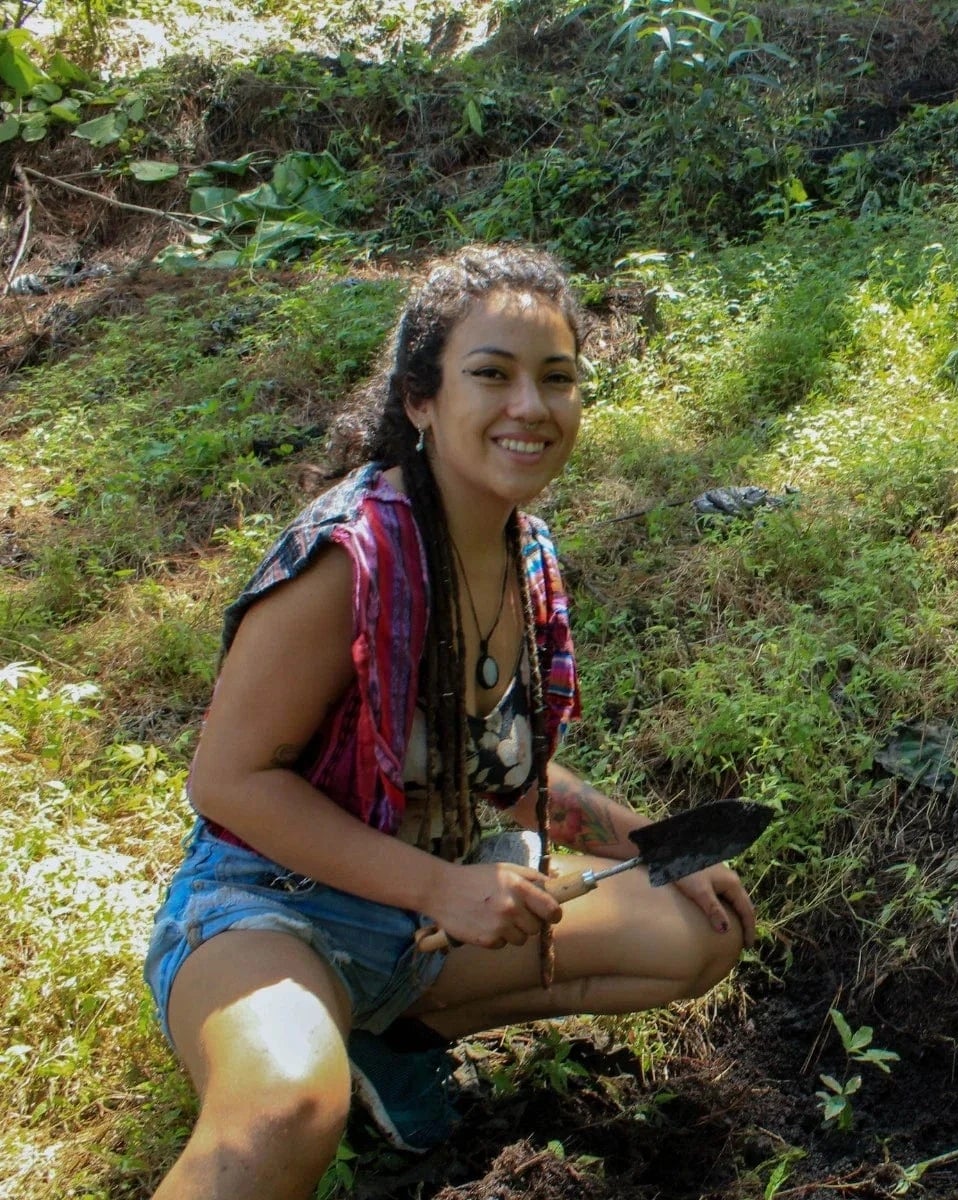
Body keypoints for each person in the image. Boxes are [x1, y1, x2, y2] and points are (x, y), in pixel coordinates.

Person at [142, 245, 757, 1199]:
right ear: (421, 399)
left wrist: (664, 843)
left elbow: (500, 774)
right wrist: (440, 887)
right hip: (276, 908)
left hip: (424, 918)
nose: (531, 405)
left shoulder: (525, 551)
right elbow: (226, 782)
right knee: (284, 1112)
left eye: (558, 379)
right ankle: (323, 1037)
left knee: (701, 931)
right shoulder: (349, 561)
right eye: (491, 374)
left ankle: (387, 1041)